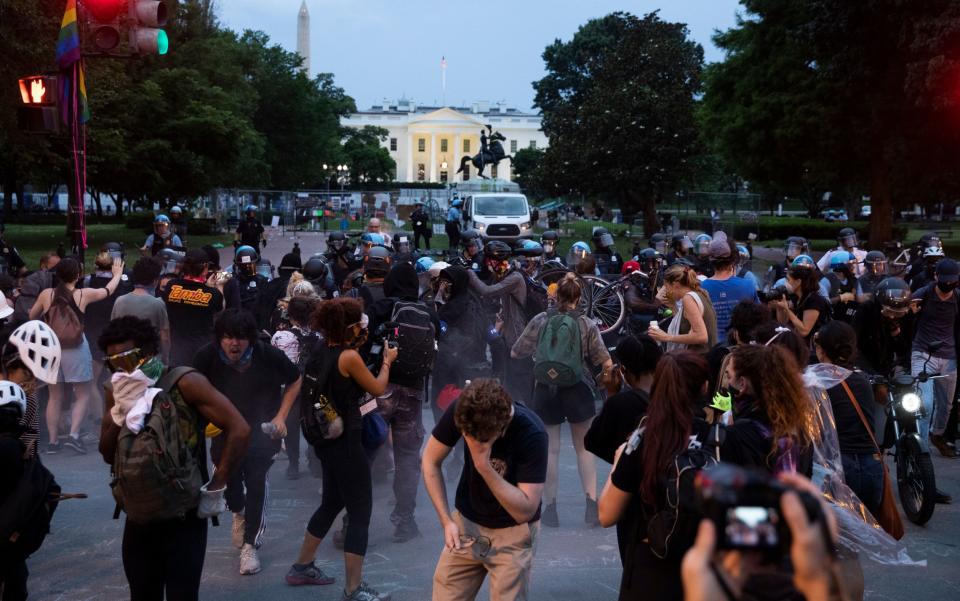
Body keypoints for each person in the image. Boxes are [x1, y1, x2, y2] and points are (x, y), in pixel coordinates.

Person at [97, 316, 250, 601]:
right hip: (139, 514)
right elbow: (107, 453)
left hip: (184, 515)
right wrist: (121, 411)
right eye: (112, 364)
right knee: (142, 594)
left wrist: (217, 485)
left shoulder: (185, 382)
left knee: (182, 595)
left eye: (127, 361)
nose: (121, 371)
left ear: (148, 354)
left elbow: (239, 429)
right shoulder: (115, 392)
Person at [285, 298, 397, 601]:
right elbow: (377, 388)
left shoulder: (321, 349)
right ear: (348, 327)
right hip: (347, 445)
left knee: (332, 503)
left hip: (325, 442)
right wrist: (388, 360)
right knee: (360, 514)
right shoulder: (349, 357)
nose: (363, 327)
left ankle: (302, 565)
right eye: (358, 323)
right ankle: (353, 588)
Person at [193, 309, 302, 575]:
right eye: (229, 337)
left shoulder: (267, 355)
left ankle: (250, 545)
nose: (234, 343)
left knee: (256, 480)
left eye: (241, 338)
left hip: (261, 430)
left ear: (250, 339)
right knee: (228, 483)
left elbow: (295, 379)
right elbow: (190, 387)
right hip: (223, 430)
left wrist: (281, 417)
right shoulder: (205, 357)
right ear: (219, 338)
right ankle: (239, 511)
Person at [597, 351, 712, 601]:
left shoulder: (644, 440)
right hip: (707, 567)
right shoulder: (719, 439)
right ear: (704, 387)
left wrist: (619, 461)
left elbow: (607, 514)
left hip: (652, 567)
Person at [422, 379, 548, 601]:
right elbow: (430, 460)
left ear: (500, 428)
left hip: (513, 532)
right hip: (467, 524)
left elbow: (525, 510)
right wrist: (446, 521)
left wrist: (483, 465)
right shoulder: (465, 409)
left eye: (480, 439)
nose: (471, 441)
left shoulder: (532, 432)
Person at [511, 273, 614, 527]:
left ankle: (551, 510)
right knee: (583, 448)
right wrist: (602, 380)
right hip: (577, 388)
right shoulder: (586, 323)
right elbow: (606, 361)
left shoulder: (540, 319)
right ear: (578, 298)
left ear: (555, 296)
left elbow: (516, 351)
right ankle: (591, 506)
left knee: (551, 449)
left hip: (546, 390)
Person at [366, 261, 441, 542]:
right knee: (408, 457)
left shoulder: (380, 308)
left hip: (380, 389)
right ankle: (406, 520)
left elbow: (363, 343)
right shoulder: (428, 313)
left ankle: (353, 520)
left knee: (367, 452)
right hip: (413, 393)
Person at [30, 257, 124, 454]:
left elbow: (32, 316)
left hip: (52, 350)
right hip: (76, 349)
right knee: (83, 394)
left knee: (55, 397)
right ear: (79, 275)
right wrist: (116, 275)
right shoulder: (83, 294)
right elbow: (107, 291)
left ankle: (53, 442)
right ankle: (73, 436)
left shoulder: (47, 294)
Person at [585, 334, 661, 560]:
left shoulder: (620, 403)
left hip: (633, 497)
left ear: (624, 370)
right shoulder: (672, 395)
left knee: (635, 562)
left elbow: (593, 441)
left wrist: (611, 393)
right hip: (672, 491)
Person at [811, 321, 884, 516]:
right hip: (872, 465)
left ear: (822, 351)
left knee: (841, 536)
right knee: (869, 534)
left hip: (840, 468)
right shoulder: (863, 380)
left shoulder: (817, 384)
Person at [722, 344, 815, 476]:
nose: (726, 383)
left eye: (729, 376)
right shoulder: (800, 428)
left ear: (742, 384)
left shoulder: (737, 435)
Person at [466, 241, 529, 402]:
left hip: (517, 337)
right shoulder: (502, 274)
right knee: (507, 384)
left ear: (498, 261)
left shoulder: (514, 277)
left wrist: (470, 274)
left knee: (520, 385)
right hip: (505, 336)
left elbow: (486, 291)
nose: (486, 263)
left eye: (489, 260)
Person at [910, 257, 960, 456]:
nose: (948, 284)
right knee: (925, 403)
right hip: (923, 353)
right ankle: (921, 446)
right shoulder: (925, 293)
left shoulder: (957, 297)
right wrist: (911, 312)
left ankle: (937, 434)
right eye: (944, 279)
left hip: (949, 357)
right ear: (936, 276)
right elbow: (904, 306)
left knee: (946, 405)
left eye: (952, 280)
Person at [270, 295, 320, 480]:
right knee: (314, 424)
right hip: (313, 387)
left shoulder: (281, 336)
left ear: (289, 315)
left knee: (290, 426)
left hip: (289, 388)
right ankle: (315, 462)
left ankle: (293, 464)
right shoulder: (319, 336)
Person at [163, 249, 226, 368]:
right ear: (205, 267)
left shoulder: (171, 286)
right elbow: (220, 308)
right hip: (202, 351)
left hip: (177, 351)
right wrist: (219, 286)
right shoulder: (212, 293)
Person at [111, 257, 171, 363]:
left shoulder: (119, 301)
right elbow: (164, 337)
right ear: (155, 281)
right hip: (149, 361)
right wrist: (165, 359)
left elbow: (113, 333)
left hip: (124, 360)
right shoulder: (158, 304)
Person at [647, 263, 717, 353]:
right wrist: (673, 307)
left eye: (666, 287)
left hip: (699, 358)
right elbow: (686, 324)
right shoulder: (700, 293)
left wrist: (666, 337)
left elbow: (701, 336)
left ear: (675, 284)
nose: (666, 291)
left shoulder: (688, 298)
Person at [701, 232, 759, 339]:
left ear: (711, 260)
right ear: (734, 259)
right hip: (740, 347)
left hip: (711, 350)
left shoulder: (701, 288)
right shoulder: (748, 285)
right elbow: (759, 318)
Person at [853, 277, 914, 377]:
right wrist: (868, 372)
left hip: (889, 365)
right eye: (889, 311)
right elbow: (854, 344)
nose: (892, 316)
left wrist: (896, 335)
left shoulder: (907, 316)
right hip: (866, 363)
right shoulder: (866, 310)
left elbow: (906, 347)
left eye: (898, 313)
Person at [770, 255, 829, 348]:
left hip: (814, 349)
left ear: (798, 282)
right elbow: (783, 322)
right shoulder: (795, 297)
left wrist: (787, 309)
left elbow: (804, 331)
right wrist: (780, 307)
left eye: (788, 280)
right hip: (799, 345)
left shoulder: (814, 300)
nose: (786, 283)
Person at [821, 251, 862, 323]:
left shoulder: (854, 280)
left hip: (851, 319)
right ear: (842, 266)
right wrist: (840, 298)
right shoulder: (827, 280)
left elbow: (860, 300)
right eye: (850, 265)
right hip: (832, 320)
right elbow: (821, 303)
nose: (853, 267)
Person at [232, 245, 268, 314]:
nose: (248, 268)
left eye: (250, 264)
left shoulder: (262, 280)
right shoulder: (233, 282)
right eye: (245, 265)